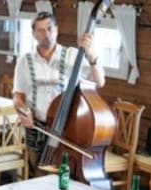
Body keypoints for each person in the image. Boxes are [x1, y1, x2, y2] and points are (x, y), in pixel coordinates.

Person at [13, 11, 105, 168]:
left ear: (57, 30)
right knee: (38, 172)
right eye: (41, 30)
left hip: (68, 130)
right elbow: (17, 96)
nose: (46, 34)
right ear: (34, 33)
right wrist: (23, 111)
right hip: (37, 128)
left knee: (65, 175)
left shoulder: (72, 55)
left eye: (50, 29)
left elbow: (99, 81)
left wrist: (92, 57)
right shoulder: (24, 61)